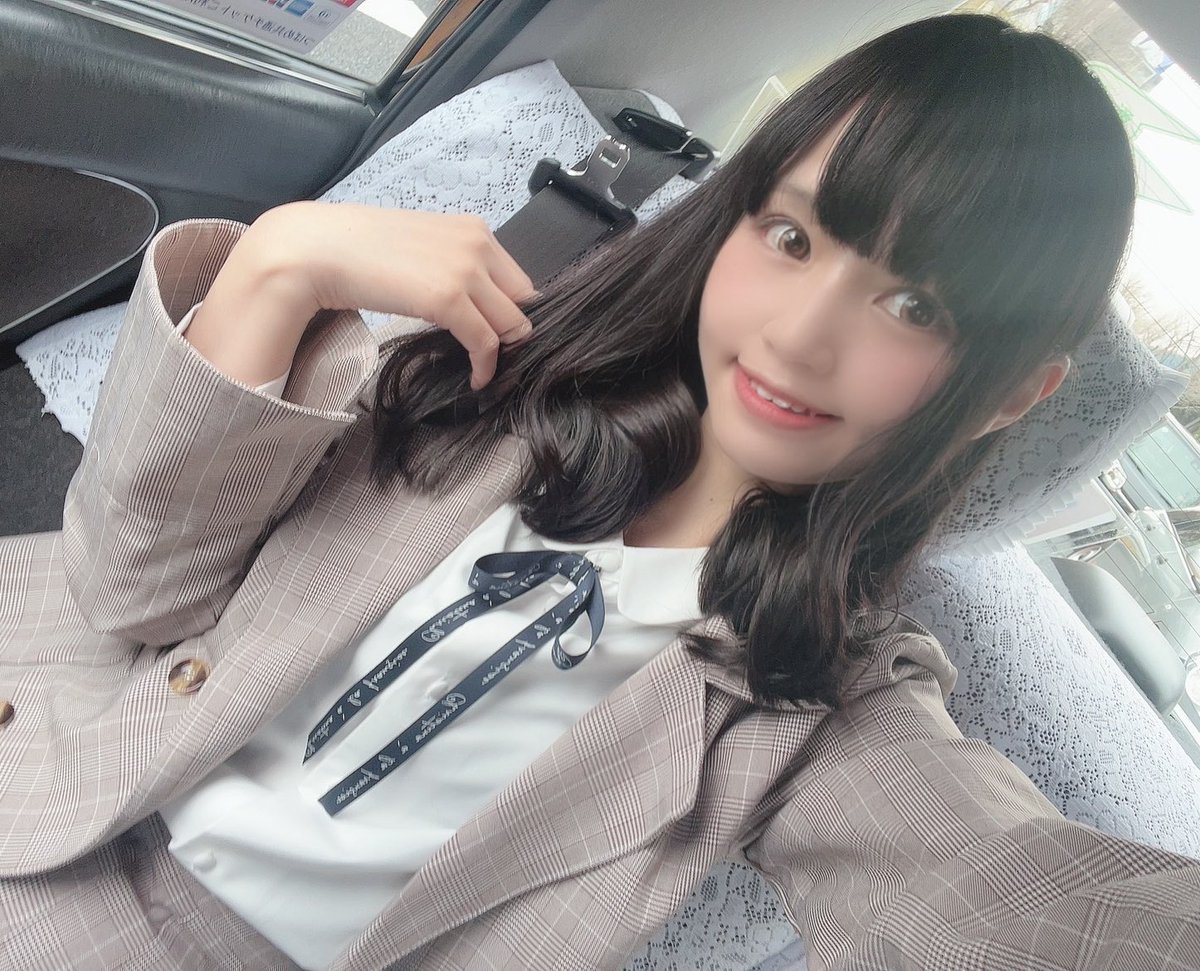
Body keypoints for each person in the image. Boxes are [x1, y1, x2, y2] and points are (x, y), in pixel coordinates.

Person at [1, 12, 1198, 971]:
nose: (800, 335)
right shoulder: (484, 378)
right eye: (791, 239)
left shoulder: (815, 694)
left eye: (914, 306)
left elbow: (996, 894)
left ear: (1009, 393)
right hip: (56, 793)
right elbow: (131, 586)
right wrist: (280, 262)